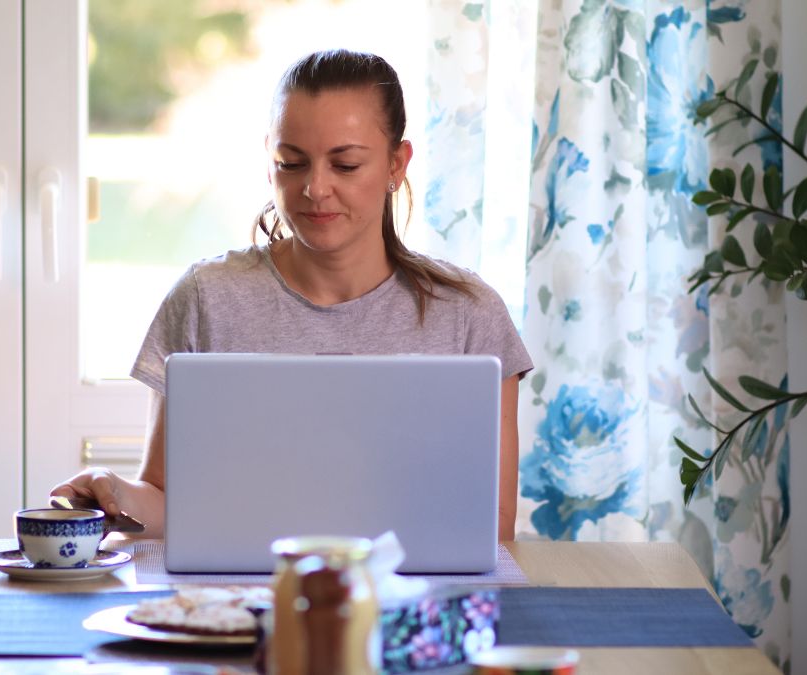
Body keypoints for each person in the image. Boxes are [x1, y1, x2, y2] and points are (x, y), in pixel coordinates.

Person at [51, 49, 533, 540]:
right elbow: (165, 501)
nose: (315, 189)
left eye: (344, 165)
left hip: (411, 605)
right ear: (268, 161)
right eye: (291, 163)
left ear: (396, 165)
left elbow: (494, 527)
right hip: (241, 605)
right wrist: (114, 493)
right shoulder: (206, 299)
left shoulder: (470, 314)